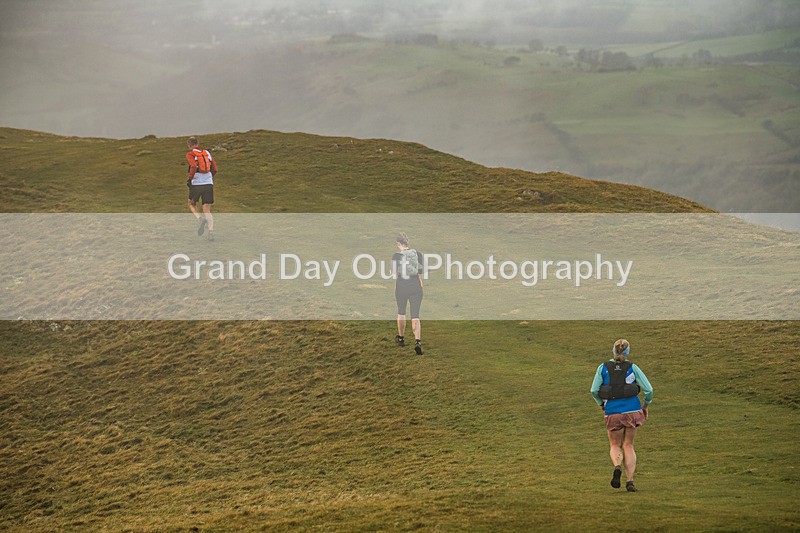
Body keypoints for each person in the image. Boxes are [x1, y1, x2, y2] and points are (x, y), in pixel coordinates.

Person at [590, 338, 653, 492]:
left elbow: (594, 390)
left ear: (613, 350)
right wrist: (645, 405)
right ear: (627, 352)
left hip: (612, 411)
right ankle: (630, 481)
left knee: (615, 445)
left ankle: (617, 466)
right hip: (632, 411)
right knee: (628, 445)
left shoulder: (603, 368)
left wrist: (601, 404)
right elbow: (649, 390)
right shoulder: (632, 367)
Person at [392, 233, 424, 355]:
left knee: (401, 312)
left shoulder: (396, 256)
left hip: (402, 286)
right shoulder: (417, 253)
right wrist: (417, 272)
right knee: (415, 315)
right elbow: (426, 267)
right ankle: (417, 341)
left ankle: (401, 338)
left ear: (398, 243)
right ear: (407, 242)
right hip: (416, 285)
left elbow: (394, 272)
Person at [185, 136, 218, 241]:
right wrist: (208, 177)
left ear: (189, 145)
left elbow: (193, 166)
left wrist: (190, 178)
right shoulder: (207, 153)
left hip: (196, 184)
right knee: (207, 209)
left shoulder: (190, 154)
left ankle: (200, 219)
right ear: (197, 143)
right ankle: (211, 233)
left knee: (191, 203)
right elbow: (215, 169)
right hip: (208, 183)